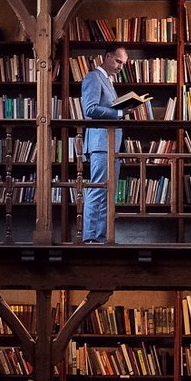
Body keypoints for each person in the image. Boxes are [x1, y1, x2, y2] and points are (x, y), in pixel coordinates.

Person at [79, 45, 129, 244]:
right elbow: (89, 109)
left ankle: (102, 237)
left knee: (109, 192)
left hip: (112, 144)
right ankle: (90, 237)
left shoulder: (109, 82)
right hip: (101, 143)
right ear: (107, 57)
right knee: (98, 189)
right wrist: (118, 113)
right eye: (118, 61)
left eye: (123, 64)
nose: (120, 67)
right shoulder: (93, 77)